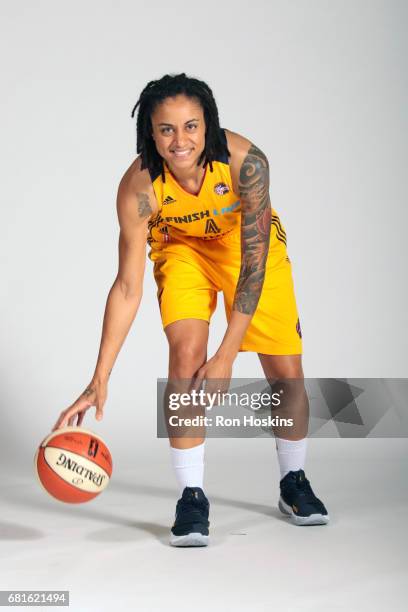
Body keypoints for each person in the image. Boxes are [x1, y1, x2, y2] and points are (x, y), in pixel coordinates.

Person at [53, 73, 329, 547]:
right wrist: (100, 376)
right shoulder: (139, 189)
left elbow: (254, 270)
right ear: (150, 133)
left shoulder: (247, 163)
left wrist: (227, 354)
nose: (180, 140)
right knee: (185, 358)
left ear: (209, 126)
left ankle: (293, 482)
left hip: (248, 253)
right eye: (166, 129)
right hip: (182, 251)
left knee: (286, 372)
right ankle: (192, 496)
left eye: (191, 126)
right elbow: (126, 287)